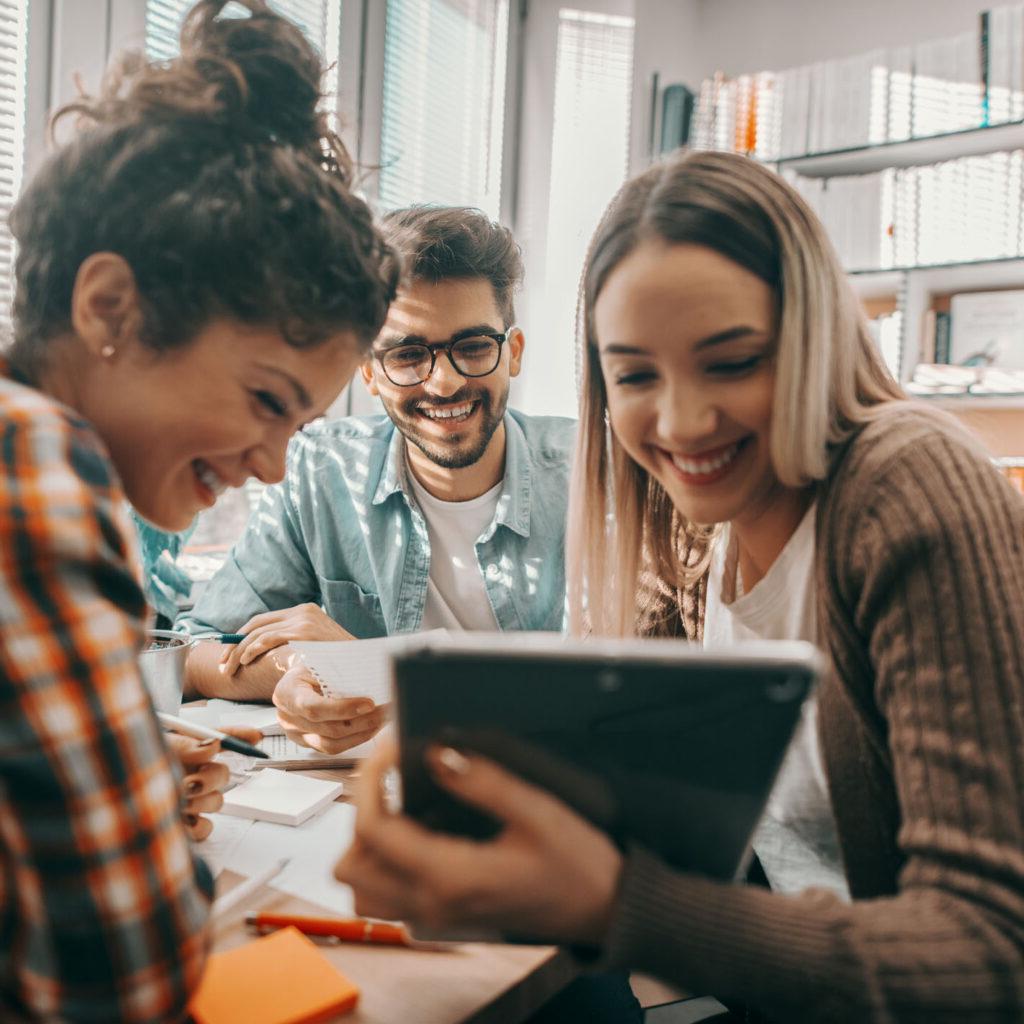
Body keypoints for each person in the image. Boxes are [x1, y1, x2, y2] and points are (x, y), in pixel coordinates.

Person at [335, 150, 1024, 1023]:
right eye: (635, 375)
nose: (683, 421)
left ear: (810, 337)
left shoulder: (906, 483)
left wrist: (616, 906)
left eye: (731, 362)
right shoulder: (690, 518)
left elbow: (993, 957)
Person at [0, 0, 396, 1018]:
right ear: (109, 309)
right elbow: (125, 976)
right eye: (266, 400)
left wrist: (100, 775)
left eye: (298, 425)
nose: (270, 466)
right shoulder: (34, 460)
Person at [180, 206, 576, 755]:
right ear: (368, 372)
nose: (443, 383)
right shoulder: (320, 470)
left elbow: (621, 693)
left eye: (473, 347)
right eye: (409, 355)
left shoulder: (592, 479)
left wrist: (371, 669)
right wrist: (299, 671)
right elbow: (199, 650)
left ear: (513, 354)